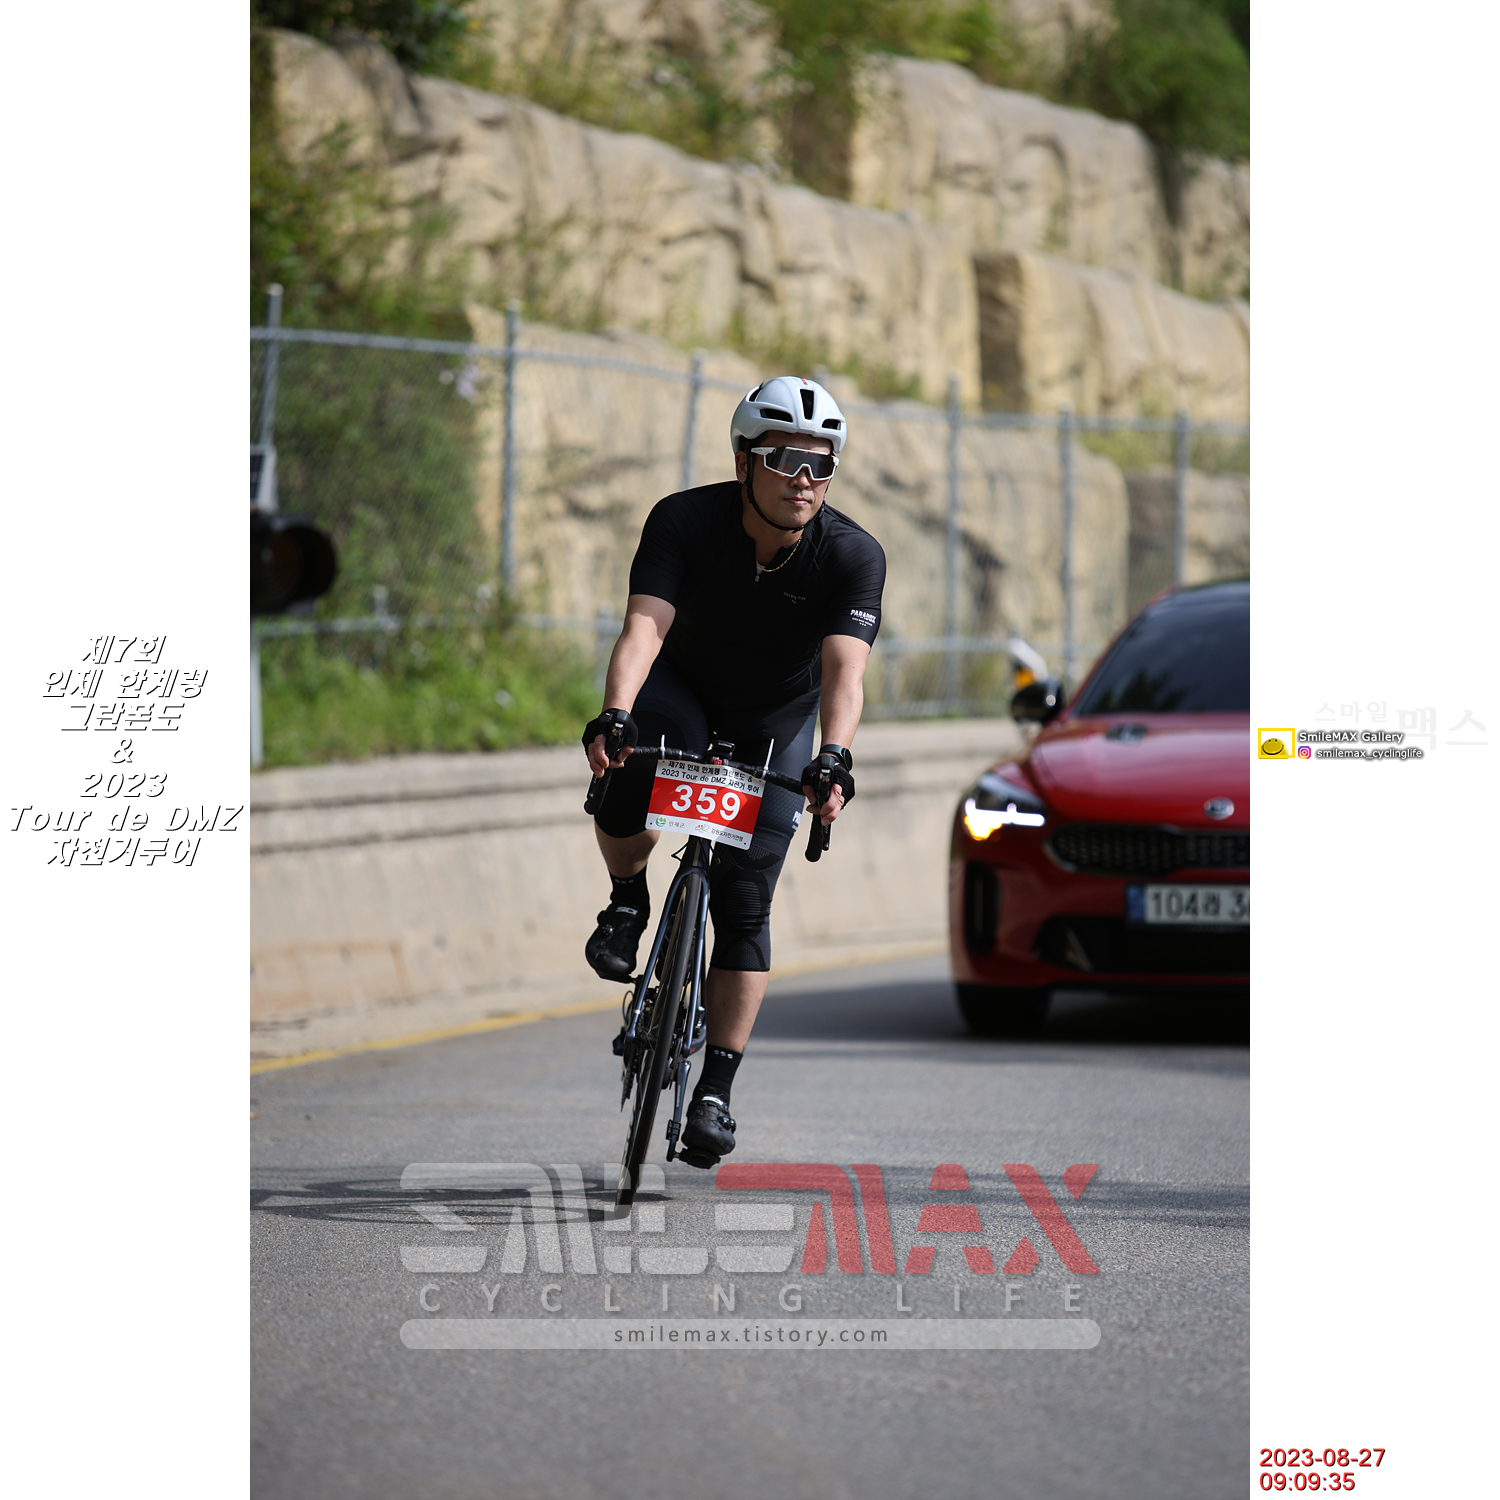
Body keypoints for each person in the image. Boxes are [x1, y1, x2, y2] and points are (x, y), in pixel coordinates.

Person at [580, 376, 886, 1167]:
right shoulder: (682, 519)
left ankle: (714, 1091)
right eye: (784, 459)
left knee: (745, 901)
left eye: (822, 464)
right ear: (744, 460)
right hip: (682, 688)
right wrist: (616, 711)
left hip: (774, 718)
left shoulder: (853, 555)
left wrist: (833, 757)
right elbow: (644, 628)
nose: (803, 479)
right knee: (628, 772)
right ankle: (626, 901)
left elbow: (845, 673)